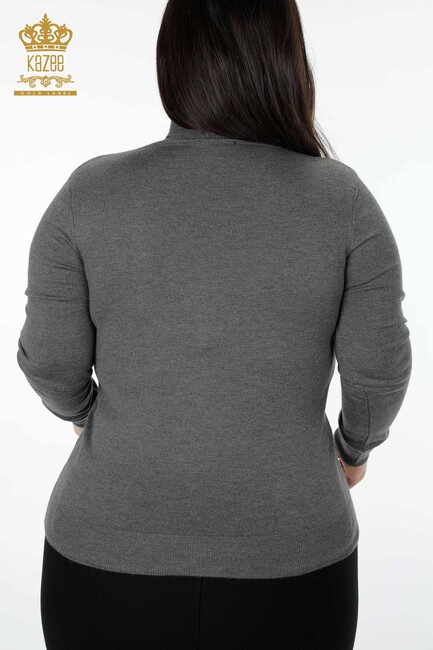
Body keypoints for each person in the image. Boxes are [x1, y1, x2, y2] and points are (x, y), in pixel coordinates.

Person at [16, 1, 412, 648]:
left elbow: (51, 361)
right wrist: (352, 451)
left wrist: (87, 413)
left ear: (172, 61)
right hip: (294, 562)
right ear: (286, 61)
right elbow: (379, 374)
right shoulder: (342, 202)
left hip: (102, 562)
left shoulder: (88, 194)